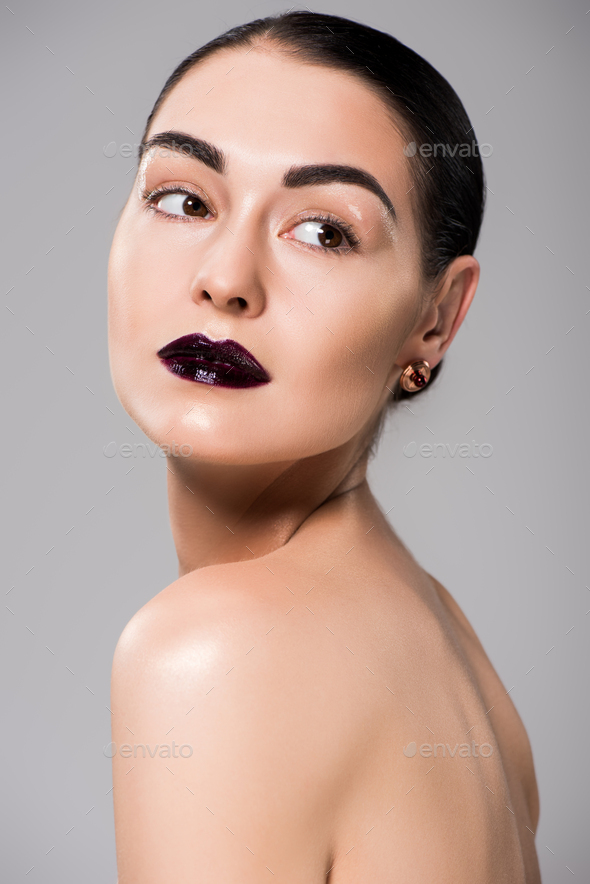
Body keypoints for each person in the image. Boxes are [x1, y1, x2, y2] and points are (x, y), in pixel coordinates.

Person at [107, 11, 541, 882]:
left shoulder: (222, 649)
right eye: (184, 199)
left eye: (323, 231)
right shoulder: (440, 636)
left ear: (436, 318)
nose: (224, 280)